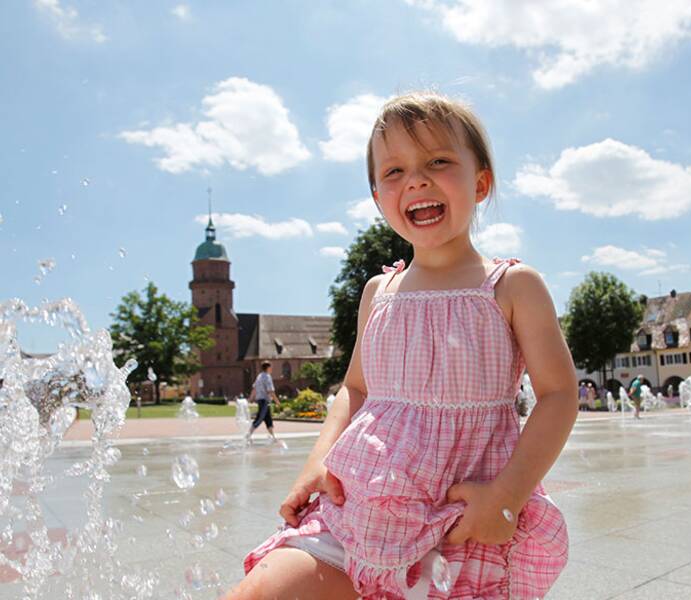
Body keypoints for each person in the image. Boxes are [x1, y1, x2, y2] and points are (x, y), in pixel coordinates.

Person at [226, 92, 578, 600]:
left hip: (461, 517)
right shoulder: (379, 292)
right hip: (358, 508)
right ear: (377, 197)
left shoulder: (511, 286)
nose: (416, 179)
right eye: (394, 171)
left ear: (480, 183)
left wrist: (507, 495)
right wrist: (317, 462)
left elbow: (558, 394)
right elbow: (355, 388)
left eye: (438, 161)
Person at [247, 361, 280, 443]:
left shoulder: (259, 376)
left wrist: (251, 398)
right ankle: (248, 435)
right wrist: (277, 401)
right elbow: (270, 391)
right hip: (264, 401)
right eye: (271, 367)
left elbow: (254, 388)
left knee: (268, 419)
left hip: (262, 400)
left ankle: (273, 437)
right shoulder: (267, 377)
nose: (272, 369)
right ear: (268, 368)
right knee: (260, 418)